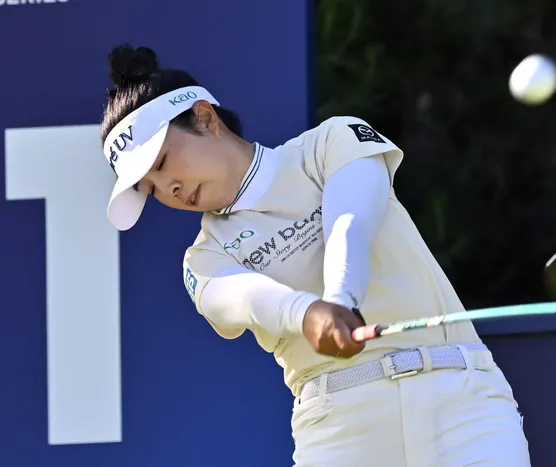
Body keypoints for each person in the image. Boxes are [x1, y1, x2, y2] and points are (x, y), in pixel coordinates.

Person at [100, 44, 531, 467]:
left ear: (205, 118)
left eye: (163, 162)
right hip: (338, 432)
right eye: (151, 188)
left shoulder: (329, 143)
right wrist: (307, 314)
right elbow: (246, 298)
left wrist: (340, 300)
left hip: (459, 402)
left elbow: (350, 224)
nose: (169, 189)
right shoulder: (203, 260)